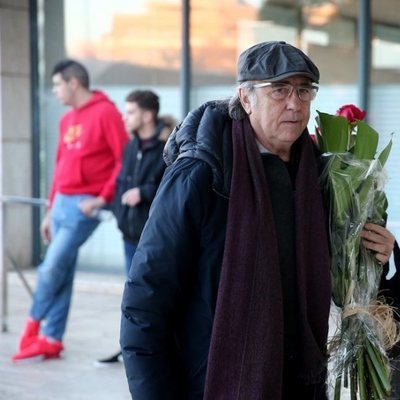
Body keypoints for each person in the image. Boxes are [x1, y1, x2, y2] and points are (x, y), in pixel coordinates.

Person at [119, 41, 395, 399]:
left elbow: (354, 282)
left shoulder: (320, 178)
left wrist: (381, 257)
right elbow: (145, 300)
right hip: (216, 382)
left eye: (304, 90)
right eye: (279, 90)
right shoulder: (204, 174)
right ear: (245, 99)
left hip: (301, 381)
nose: (294, 103)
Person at [12, 59, 129, 362]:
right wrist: (50, 211)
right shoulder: (66, 120)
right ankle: (52, 338)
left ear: (73, 83)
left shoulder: (106, 113)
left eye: (57, 85)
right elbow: (59, 166)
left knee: (50, 267)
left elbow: (123, 161)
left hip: (83, 205)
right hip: (61, 202)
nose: (55, 91)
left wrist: (102, 199)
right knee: (61, 271)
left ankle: (32, 324)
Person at [96, 90, 175, 365]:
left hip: (154, 238)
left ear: (147, 115)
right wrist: (119, 213)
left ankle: (154, 350)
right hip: (130, 235)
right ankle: (131, 348)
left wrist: (143, 191)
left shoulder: (168, 147)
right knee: (133, 297)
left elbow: (174, 189)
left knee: (152, 298)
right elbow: (120, 183)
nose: (124, 116)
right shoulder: (131, 147)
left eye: (129, 111)